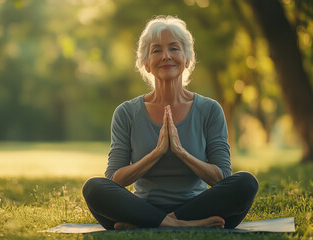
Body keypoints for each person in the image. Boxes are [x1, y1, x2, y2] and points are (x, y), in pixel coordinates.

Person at [82, 16, 258, 230]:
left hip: (199, 206)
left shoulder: (210, 110)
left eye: (174, 48)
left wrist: (181, 152)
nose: (166, 56)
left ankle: (152, 224)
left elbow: (221, 177)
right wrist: (156, 153)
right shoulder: (126, 113)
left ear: (186, 60)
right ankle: (181, 224)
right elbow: (114, 179)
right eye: (156, 50)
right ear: (146, 64)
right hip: (142, 206)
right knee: (93, 188)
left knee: (246, 183)